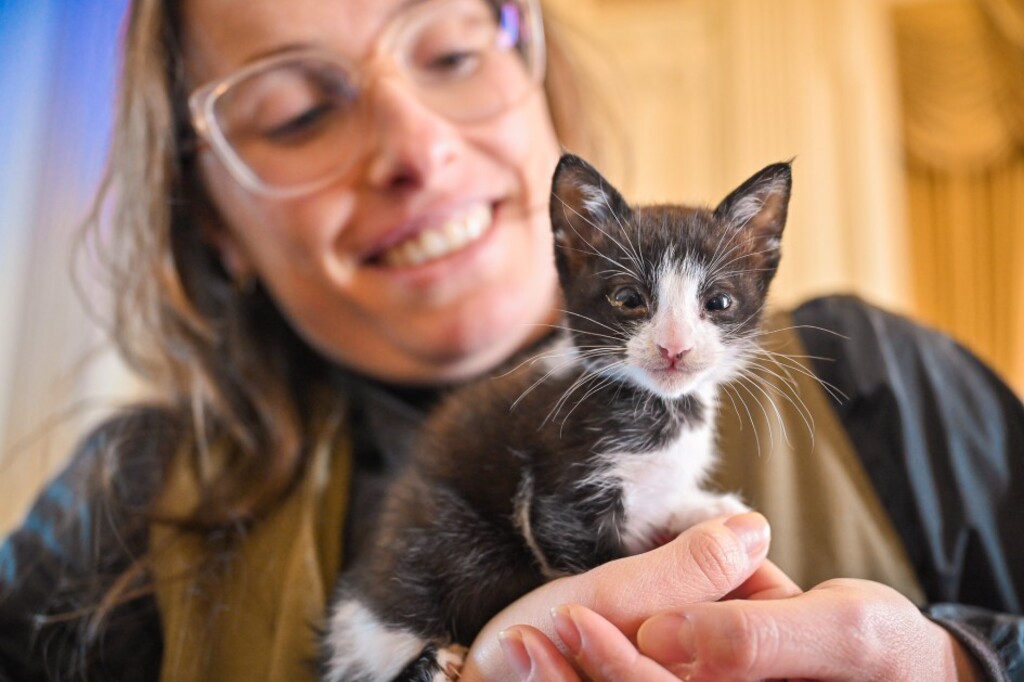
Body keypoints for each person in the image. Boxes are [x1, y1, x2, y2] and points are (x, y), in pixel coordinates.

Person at [0, 0, 1021, 680]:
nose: (418, 146)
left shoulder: (887, 381)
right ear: (212, 222)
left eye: (450, 51)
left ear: (536, 84)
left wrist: (953, 662)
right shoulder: (129, 504)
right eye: (299, 112)